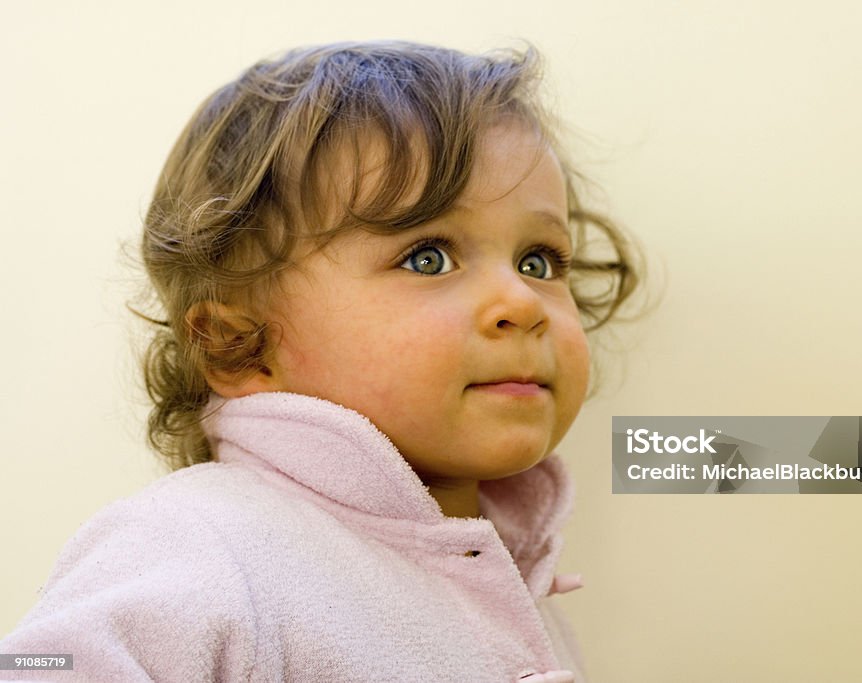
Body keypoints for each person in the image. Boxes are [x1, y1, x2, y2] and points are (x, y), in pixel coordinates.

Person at [0, 41, 638, 682]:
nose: (521, 302)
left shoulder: (509, 577)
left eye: (539, 261)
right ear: (240, 345)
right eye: (428, 257)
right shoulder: (205, 541)